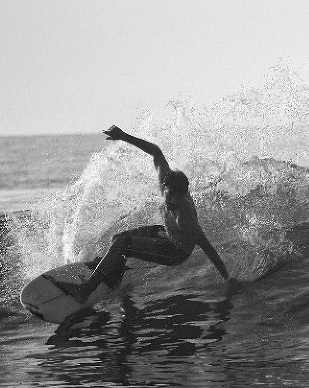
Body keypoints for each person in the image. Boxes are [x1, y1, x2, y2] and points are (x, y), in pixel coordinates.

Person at [56, 125, 230, 303]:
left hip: (175, 251)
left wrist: (228, 280)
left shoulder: (184, 216)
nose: (175, 200)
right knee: (118, 238)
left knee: (123, 244)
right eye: (172, 194)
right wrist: (123, 136)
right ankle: (113, 271)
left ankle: (85, 290)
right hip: (167, 233)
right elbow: (156, 151)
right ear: (165, 186)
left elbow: (208, 248)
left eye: (180, 196)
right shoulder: (166, 178)